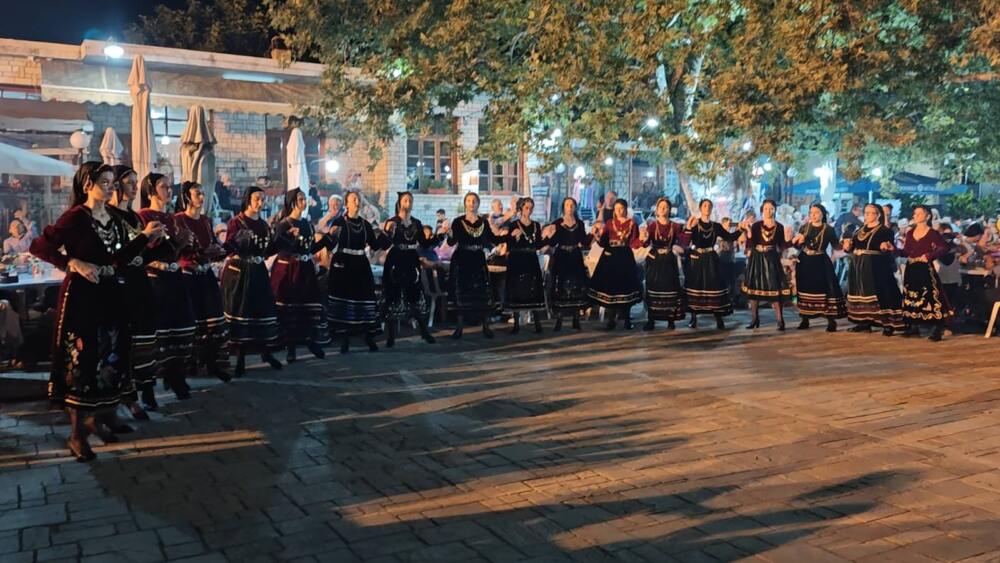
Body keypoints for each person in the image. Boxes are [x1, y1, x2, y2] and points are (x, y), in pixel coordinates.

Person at [30, 162, 162, 461]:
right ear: (87, 184)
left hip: (111, 293)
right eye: (104, 182)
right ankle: (77, 434)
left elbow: (119, 258)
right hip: (82, 297)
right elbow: (39, 247)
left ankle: (103, 416)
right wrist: (71, 263)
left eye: (112, 182)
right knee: (83, 360)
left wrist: (145, 238)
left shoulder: (113, 218)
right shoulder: (76, 217)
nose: (111, 187)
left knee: (114, 355)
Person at [138, 173, 199, 400]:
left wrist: (184, 244)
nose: (169, 190)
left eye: (170, 186)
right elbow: (144, 249)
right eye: (164, 186)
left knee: (180, 326)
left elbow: (175, 251)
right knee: (158, 331)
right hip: (155, 279)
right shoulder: (143, 216)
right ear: (151, 191)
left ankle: (176, 377)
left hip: (174, 278)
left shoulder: (172, 218)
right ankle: (148, 387)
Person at [107, 165, 160, 416]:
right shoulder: (108, 216)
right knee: (123, 343)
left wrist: (166, 246)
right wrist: (144, 238)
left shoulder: (136, 218)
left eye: (136, 182)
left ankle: (147, 389)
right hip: (120, 287)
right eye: (129, 182)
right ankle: (125, 396)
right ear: (116, 185)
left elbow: (142, 255)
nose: (135, 187)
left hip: (140, 283)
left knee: (145, 338)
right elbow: (115, 256)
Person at [222, 186, 284, 376]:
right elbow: (228, 247)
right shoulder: (236, 222)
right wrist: (238, 241)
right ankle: (240, 359)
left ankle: (266, 353)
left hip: (258, 271)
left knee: (262, 311)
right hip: (241, 273)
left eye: (262, 199)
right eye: (257, 198)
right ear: (248, 199)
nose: (260, 202)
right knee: (243, 312)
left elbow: (267, 251)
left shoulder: (264, 225)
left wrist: (282, 238)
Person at [174, 182, 231, 378]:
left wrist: (219, 249)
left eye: (203, 193)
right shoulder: (178, 220)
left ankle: (213, 363)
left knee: (212, 318)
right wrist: (201, 253)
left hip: (206, 274)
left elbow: (213, 244)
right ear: (187, 197)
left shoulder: (206, 221)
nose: (201, 197)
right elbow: (177, 250)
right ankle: (191, 364)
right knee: (193, 319)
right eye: (197, 193)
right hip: (188, 276)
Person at [321, 191, 387, 352]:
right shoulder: (339, 222)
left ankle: (368, 336)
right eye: (354, 199)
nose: (357, 202)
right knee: (344, 301)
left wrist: (386, 233)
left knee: (365, 299)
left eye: (358, 199)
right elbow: (330, 244)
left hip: (361, 265)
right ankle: (344, 340)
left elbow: (375, 245)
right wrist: (330, 236)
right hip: (343, 265)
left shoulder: (365, 224)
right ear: (347, 204)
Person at [269, 188, 329, 361]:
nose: (304, 202)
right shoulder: (284, 224)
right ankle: (291, 348)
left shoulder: (307, 224)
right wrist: (290, 237)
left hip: (305, 269)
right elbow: (279, 246)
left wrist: (327, 239)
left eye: (305, 198)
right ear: (293, 202)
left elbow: (310, 248)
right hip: (289, 270)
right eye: (301, 199)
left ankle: (311, 341)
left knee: (308, 307)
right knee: (290, 309)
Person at [381, 191, 438, 347]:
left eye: (410, 200)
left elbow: (424, 243)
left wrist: (439, 236)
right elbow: (384, 244)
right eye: (405, 200)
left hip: (411, 260)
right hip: (396, 259)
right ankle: (391, 336)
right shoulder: (393, 221)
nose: (408, 203)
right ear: (400, 203)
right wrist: (387, 231)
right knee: (394, 295)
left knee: (415, 294)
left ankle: (424, 331)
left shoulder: (417, 223)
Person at [446, 192, 505, 339]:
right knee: (461, 292)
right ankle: (459, 327)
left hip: (478, 259)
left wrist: (508, 237)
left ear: (478, 204)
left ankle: (485, 326)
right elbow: (451, 243)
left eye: (474, 201)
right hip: (462, 259)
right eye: (469, 200)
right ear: (465, 203)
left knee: (482, 292)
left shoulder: (483, 222)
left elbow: (492, 239)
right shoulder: (458, 222)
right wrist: (449, 234)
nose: (471, 203)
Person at [843, 203, 907, 335]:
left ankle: (888, 324)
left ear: (878, 215)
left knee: (880, 293)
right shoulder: (859, 230)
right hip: (858, 267)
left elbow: (888, 248)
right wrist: (847, 247)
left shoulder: (885, 231)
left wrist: (885, 247)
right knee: (861, 294)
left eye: (870, 213)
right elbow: (852, 248)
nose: (867, 215)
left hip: (876, 266)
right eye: (866, 213)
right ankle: (863, 322)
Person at [684, 199, 742, 330]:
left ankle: (718, 317)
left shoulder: (716, 226)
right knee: (696, 286)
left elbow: (729, 237)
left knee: (715, 286)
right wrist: (688, 228)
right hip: (697, 259)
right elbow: (686, 241)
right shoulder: (695, 224)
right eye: (705, 205)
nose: (707, 208)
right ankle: (693, 317)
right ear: (700, 208)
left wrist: (741, 230)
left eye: (709, 206)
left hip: (711, 259)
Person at [899, 205, 952, 341]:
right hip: (912, 267)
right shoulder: (910, 233)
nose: (915, 216)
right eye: (914, 213)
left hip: (925, 268)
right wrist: (893, 249)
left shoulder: (932, 233)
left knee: (930, 296)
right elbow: (906, 251)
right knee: (912, 295)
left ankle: (937, 328)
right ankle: (914, 325)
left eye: (919, 213)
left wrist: (930, 255)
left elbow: (944, 247)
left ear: (927, 216)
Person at [588, 198, 642, 330]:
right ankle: (611, 320)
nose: (619, 211)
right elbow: (603, 242)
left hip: (625, 257)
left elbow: (634, 242)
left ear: (625, 209)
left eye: (621, 208)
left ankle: (627, 319)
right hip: (611, 257)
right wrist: (597, 236)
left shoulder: (632, 223)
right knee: (611, 288)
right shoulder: (609, 223)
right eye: (616, 208)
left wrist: (642, 240)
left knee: (626, 287)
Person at [739, 199, 793, 330]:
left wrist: (790, 240)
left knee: (774, 289)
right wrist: (748, 232)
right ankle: (754, 319)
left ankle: (780, 320)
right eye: (766, 209)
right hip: (757, 259)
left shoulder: (779, 227)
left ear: (774, 210)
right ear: (762, 210)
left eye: (771, 209)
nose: (768, 211)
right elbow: (750, 243)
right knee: (754, 289)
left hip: (772, 259)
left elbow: (782, 245)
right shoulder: (756, 226)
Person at [791, 203, 846, 331]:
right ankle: (805, 318)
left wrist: (845, 243)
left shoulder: (829, 229)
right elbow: (798, 247)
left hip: (821, 261)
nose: (813, 215)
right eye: (811, 213)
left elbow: (836, 246)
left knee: (826, 288)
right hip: (805, 261)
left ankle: (831, 321)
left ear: (822, 214)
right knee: (805, 288)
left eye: (816, 212)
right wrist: (797, 242)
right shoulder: (804, 227)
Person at [541, 197, 590, 331]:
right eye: (567, 205)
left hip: (575, 256)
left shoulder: (579, 223)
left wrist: (594, 235)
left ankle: (576, 318)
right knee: (560, 286)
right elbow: (552, 243)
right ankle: (559, 319)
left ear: (575, 207)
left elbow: (584, 241)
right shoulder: (557, 223)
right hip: (562, 256)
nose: (570, 207)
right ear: (563, 207)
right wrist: (548, 234)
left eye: (572, 205)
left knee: (576, 286)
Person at [639, 198, 687, 330]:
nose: (663, 209)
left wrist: (679, 246)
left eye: (665, 207)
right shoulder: (651, 225)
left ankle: (670, 319)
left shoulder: (675, 226)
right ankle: (651, 319)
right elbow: (645, 243)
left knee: (670, 289)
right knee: (653, 289)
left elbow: (683, 240)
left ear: (669, 210)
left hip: (669, 261)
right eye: (660, 207)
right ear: (657, 209)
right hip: (655, 261)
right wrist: (644, 238)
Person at [501, 197, 546, 334]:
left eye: (531, 208)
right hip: (517, 260)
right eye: (526, 208)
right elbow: (509, 244)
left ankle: (537, 323)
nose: (529, 210)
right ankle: (516, 324)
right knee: (516, 288)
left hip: (531, 259)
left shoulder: (536, 225)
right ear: (521, 208)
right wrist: (513, 237)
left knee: (533, 288)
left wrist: (548, 237)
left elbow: (538, 244)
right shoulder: (514, 224)